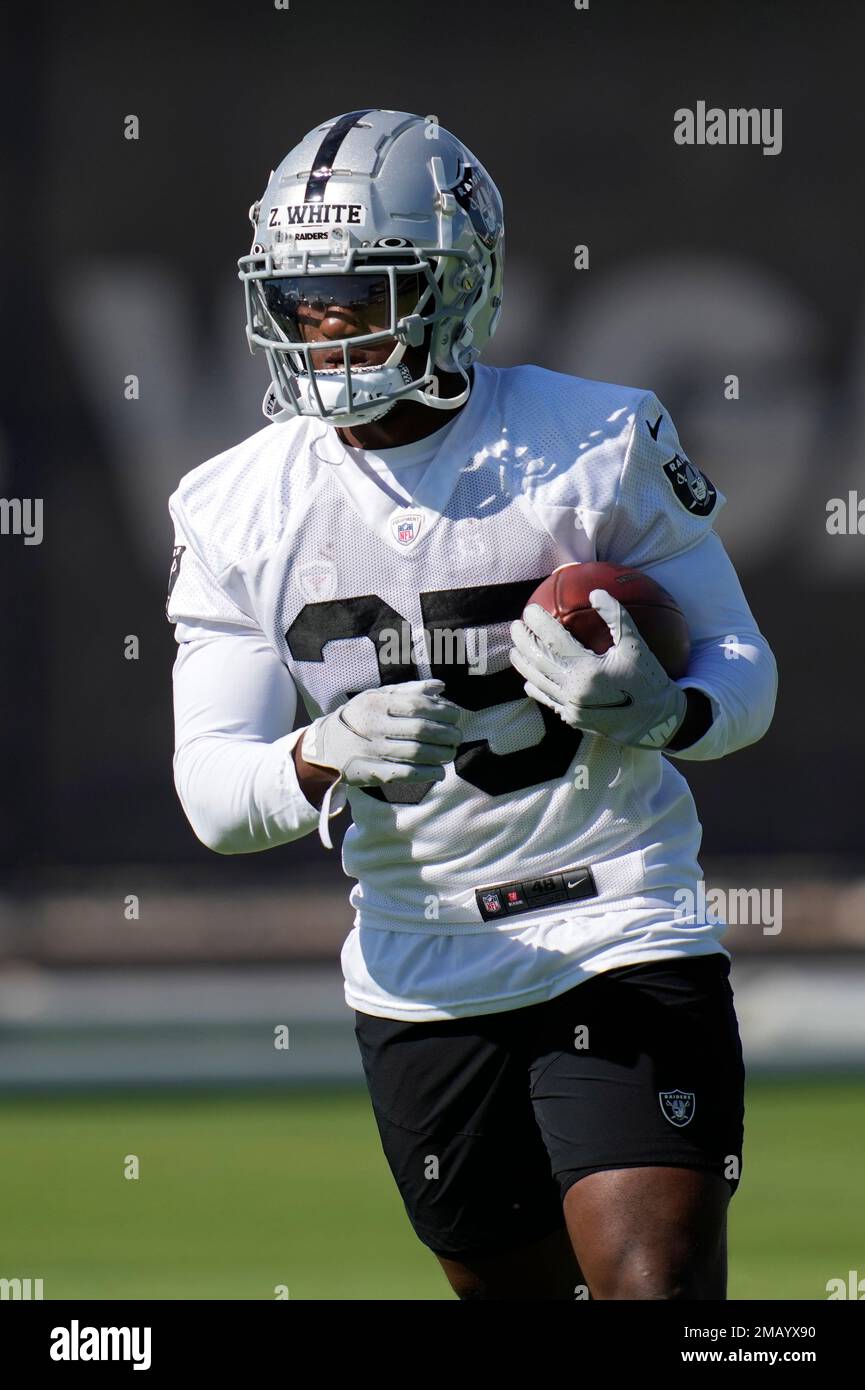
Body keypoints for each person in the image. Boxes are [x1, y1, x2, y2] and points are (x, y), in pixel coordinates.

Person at [167, 109, 777, 1300]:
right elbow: (213, 795)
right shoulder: (234, 502)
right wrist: (316, 752)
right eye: (297, 297)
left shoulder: (596, 437)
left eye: (357, 290)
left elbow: (739, 664)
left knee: (650, 1285)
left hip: (618, 915)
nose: (322, 327)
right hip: (422, 960)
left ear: (455, 285)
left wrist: (665, 711)